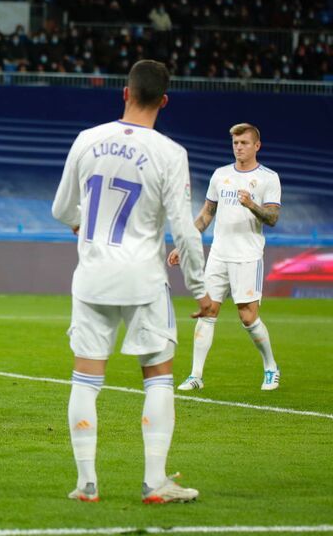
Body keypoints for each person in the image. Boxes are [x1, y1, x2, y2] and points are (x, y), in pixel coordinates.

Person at [51, 59, 213, 504]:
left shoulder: (87, 141)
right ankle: (155, 481)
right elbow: (184, 228)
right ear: (164, 100)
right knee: (158, 376)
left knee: (86, 378)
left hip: (92, 277)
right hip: (143, 278)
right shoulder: (170, 153)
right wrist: (200, 289)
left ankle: (86, 485)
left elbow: (62, 211)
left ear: (124, 92)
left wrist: (85, 225)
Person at [170, 123, 282, 391]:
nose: (239, 147)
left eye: (244, 143)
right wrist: (185, 243)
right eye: (235, 143)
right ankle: (196, 375)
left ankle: (270, 367)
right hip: (219, 254)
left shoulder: (268, 177)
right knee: (207, 310)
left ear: (257, 146)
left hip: (247, 256)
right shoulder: (220, 175)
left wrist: (252, 205)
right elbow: (206, 214)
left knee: (248, 317)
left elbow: (273, 218)